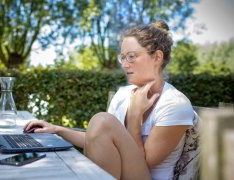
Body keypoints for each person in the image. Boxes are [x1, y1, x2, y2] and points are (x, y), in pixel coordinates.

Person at [24, 20, 196, 180]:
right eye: (123, 57)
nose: (125, 64)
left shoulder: (175, 104)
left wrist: (135, 117)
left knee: (102, 120)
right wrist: (57, 130)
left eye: (132, 56)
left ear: (157, 57)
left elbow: (142, 164)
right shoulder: (122, 95)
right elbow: (101, 142)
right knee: (101, 123)